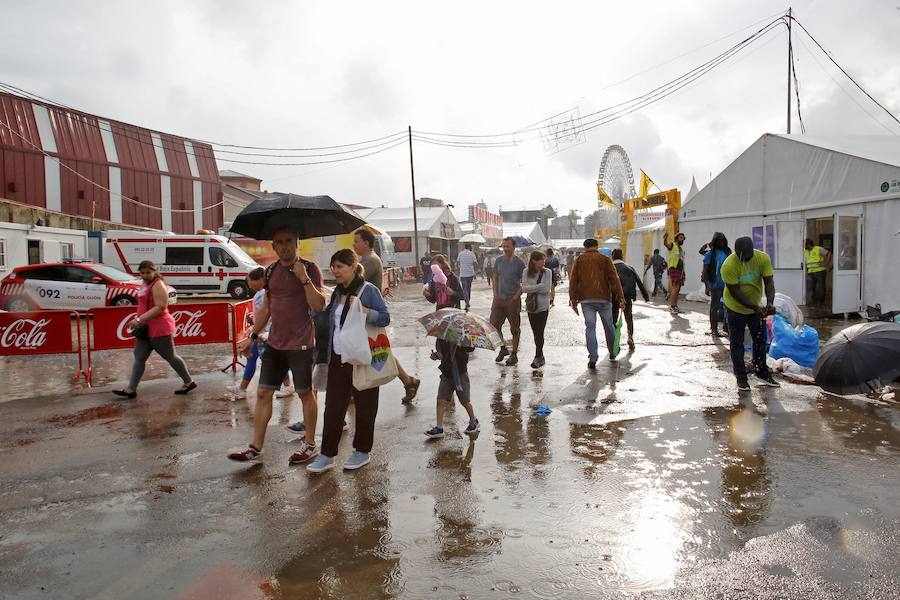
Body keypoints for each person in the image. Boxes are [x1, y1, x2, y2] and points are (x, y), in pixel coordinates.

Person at [228, 228, 326, 464]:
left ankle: (310, 444)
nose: (284, 246)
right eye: (279, 242)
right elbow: (267, 309)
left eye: (289, 241)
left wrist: (304, 278)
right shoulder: (270, 271)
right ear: (273, 246)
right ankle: (255, 447)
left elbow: (319, 305)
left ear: (297, 243)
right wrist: (252, 336)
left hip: (301, 344)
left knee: (305, 393)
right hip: (275, 343)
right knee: (263, 393)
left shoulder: (310, 268)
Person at [306, 249, 391, 473]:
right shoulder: (336, 292)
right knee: (333, 408)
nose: (336, 271)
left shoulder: (368, 290)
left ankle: (362, 452)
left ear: (353, 267)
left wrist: (363, 310)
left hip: (362, 359)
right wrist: (316, 312)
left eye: (340, 267)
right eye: (333, 267)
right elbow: (331, 322)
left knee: (365, 406)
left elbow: (385, 316)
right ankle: (327, 455)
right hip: (338, 357)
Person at [354, 229, 421, 403]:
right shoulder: (366, 259)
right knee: (382, 352)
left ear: (367, 243)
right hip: (365, 316)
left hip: (369, 316)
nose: (354, 245)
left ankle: (408, 381)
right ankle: (409, 381)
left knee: (378, 353)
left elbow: (353, 283)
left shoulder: (370, 261)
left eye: (357, 241)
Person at [113, 260, 195, 399]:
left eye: (148, 272)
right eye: (142, 272)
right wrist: (140, 320)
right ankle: (131, 389)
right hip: (145, 328)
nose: (145, 275)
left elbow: (161, 307)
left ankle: (189, 381)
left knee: (170, 356)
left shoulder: (158, 285)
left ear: (154, 271)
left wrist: (139, 319)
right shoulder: (146, 284)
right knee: (139, 357)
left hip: (159, 328)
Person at [720, 236, 779, 391]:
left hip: (755, 306)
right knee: (737, 342)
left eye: (748, 257)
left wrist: (770, 302)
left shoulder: (763, 258)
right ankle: (741, 377)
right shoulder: (729, 265)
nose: (745, 261)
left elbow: (769, 282)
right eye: (742, 258)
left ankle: (761, 371)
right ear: (735, 251)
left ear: (753, 250)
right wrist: (754, 307)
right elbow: (735, 292)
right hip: (734, 307)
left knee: (760, 339)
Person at [569, 238, 625, 369]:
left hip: (586, 300)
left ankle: (593, 357)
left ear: (585, 247)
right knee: (609, 326)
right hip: (604, 298)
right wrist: (620, 297)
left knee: (590, 327)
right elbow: (614, 279)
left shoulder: (579, 260)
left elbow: (573, 280)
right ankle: (613, 351)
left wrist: (573, 299)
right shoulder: (605, 259)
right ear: (596, 246)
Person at [424, 339, 480, 439]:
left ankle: (473, 420)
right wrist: (436, 356)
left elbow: (470, 348)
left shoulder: (463, 337)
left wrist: (462, 343)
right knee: (441, 399)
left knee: (465, 401)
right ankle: (439, 427)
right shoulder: (442, 338)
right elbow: (443, 354)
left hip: (460, 374)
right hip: (447, 373)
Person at [491, 237, 525, 366]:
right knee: (493, 326)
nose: (505, 249)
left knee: (514, 328)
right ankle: (503, 348)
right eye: (503, 246)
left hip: (512, 300)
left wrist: (516, 296)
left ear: (513, 247)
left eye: (508, 246)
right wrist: (495, 294)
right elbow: (495, 277)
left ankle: (514, 354)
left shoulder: (520, 263)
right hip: (499, 299)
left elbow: (525, 281)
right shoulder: (498, 261)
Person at [611, 248, 649, 352]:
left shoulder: (610, 267)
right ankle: (630, 337)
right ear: (622, 256)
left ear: (612, 256)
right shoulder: (629, 267)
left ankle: (614, 341)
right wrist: (646, 296)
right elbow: (639, 282)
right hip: (627, 296)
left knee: (613, 319)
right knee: (628, 318)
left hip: (613, 297)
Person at [522, 250, 552, 368]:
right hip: (531, 306)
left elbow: (546, 290)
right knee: (535, 333)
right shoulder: (526, 271)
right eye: (541, 259)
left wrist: (533, 288)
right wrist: (539, 286)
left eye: (544, 259)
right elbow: (524, 288)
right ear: (534, 261)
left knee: (540, 332)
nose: (543, 262)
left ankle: (538, 356)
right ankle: (540, 356)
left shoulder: (547, 272)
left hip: (543, 307)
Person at [702, 232, 731, 337]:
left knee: (728, 306)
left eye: (723, 240)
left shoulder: (728, 253)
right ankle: (714, 329)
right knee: (715, 307)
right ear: (715, 241)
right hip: (714, 284)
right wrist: (706, 286)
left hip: (727, 284)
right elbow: (705, 271)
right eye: (719, 240)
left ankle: (726, 328)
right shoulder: (709, 254)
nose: (722, 242)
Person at [803, 238, 831, 312]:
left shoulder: (818, 249)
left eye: (805, 245)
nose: (804, 247)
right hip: (811, 271)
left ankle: (820, 302)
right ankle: (814, 301)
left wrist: (825, 263)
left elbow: (828, 253)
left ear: (809, 245)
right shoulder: (805, 251)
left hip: (820, 271)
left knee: (821, 287)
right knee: (812, 287)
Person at [663, 231, 686, 313]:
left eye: (683, 238)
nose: (682, 240)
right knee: (675, 288)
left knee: (678, 288)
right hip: (674, 268)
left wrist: (684, 272)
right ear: (676, 238)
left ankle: (675, 306)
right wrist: (665, 238)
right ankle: (672, 307)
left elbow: (682, 261)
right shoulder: (673, 245)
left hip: (680, 270)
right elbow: (666, 245)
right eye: (681, 238)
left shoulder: (681, 249)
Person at [456, 243, 477, 311]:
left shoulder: (461, 253)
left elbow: (457, 262)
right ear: (469, 247)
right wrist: (475, 269)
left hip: (463, 274)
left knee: (465, 288)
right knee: (468, 288)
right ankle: (467, 302)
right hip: (470, 274)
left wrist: (459, 268)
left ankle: (467, 302)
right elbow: (475, 263)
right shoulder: (472, 254)